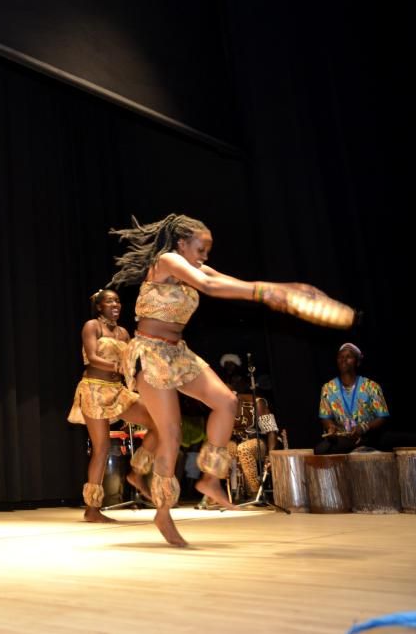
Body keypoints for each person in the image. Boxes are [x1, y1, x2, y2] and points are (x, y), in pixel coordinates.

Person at [108, 214, 311, 546]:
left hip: (178, 352)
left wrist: (273, 290)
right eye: (201, 249)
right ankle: (163, 513)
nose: (204, 256)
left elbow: (227, 282)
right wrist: (263, 292)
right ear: (182, 243)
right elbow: (211, 286)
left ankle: (209, 479)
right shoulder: (168, 260)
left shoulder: (193, 267)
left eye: (207, 251)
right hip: (150, 352)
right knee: (170, 435)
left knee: (226, 401)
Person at [67, 289, 161, 523]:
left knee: (160, 423)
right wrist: (117, 367)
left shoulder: (123, 332)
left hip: (118, 390)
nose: (115, 304)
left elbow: (130, 363)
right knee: (101, 449)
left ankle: (136, 472)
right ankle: (92, 509)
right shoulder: (92, 326)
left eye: (117, 300)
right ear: (99, 307)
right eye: (109, 301)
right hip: (94, 389)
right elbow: (91, 357)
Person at [315, 343, 412, 454]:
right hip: (344, 438)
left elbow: (382, 417)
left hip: (368, 436)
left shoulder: (371, 386)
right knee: (320, 450)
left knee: (407, 440)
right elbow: (325, 417)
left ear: (358, 362)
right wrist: (330, 427)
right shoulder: (328, 388)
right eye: (340, 357)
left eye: (348, 357)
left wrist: (363, 428)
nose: (343, 360)